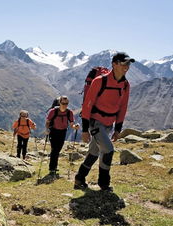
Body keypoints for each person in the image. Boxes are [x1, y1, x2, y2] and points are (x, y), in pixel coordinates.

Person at [74, 52, 134, 191]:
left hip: (109, 124)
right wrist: (84, 129)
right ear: (114, 64)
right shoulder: (100, 81)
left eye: (128, 64)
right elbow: (87, 105)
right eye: (124, 63)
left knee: (94, 152)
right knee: (108, 150)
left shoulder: (125, 85)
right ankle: (104, 182)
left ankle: (79, 178)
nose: (127, 66)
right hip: (96, 122)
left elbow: (123, 107)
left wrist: (118, 128)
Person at [45, 96, 79, 177]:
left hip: (63, 132)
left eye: (66, 103)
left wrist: (75, 127)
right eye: (63, 103)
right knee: (55, 149)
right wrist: (47, 129)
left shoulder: (69, 112)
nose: (65, 105)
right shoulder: (53, 111)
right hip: (53, 131)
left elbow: (71, 124)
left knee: (58, 149)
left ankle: (54, 167)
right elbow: (48, 121)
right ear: (59, 103)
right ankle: (52, 168)